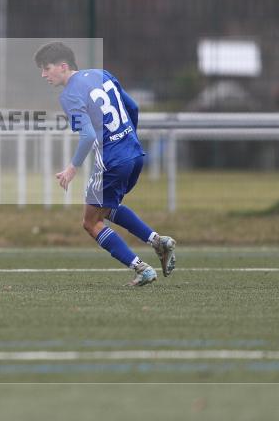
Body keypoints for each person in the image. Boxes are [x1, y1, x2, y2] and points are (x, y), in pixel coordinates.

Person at [34, 42, 176, 286]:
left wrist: (72, 167)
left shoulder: (69, 96)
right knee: (107, 208)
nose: (43, 75)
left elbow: (88, 136)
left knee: (90, 222)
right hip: (134, 155)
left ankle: (141, 268)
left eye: (47, 69)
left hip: (112, 161)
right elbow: (133, 107)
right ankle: (157, 241)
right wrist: (128, 137)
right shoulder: (102, 74)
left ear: (63, 66)